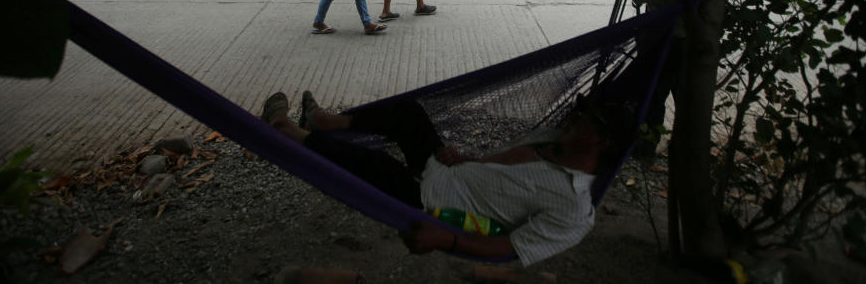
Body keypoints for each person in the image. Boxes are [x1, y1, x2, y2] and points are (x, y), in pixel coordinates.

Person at [260, 90, 629, 266]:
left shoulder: (575, 209)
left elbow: (510, 249)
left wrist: (447, 238)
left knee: (374, 167)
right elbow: (502, 168)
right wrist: (468, 159)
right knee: (409, 113)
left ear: (601, 140)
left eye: (584, 120)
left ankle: (286, 132)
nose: (573, 120)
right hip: (447, 170)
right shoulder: (549, 143)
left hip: (433, 203)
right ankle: (326, 123)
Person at [608, 0, 684, 157]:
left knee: (652, 97)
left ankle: (645, 148)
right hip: (689, 47)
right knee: (685, 101)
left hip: (662, 48)